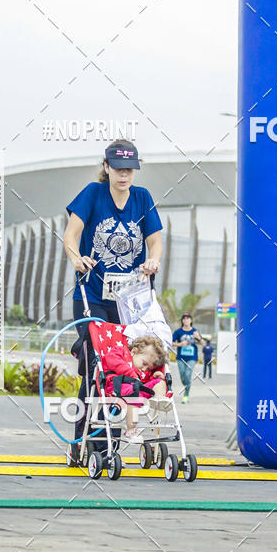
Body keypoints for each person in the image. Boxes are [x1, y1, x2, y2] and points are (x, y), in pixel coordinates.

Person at [63, 139, 163, 448]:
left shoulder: (142, 198)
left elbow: (155, 241)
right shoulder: (93, 194)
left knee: (121, 366)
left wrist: (153, 260)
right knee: (96, 364)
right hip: (91, 295)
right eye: (118, 169)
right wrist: (76, 258)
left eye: (130, 171)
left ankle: (111, 438)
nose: (124, 176)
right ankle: (85, 439)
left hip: (126, 298)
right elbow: (71, 234)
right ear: (107, 168)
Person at [102, 335, 168, 444]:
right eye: (144, 364)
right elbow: (112, 360)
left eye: (149, 368)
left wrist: (154, 376)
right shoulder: (121, 352)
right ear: (134, 351)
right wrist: (131, 374)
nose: (144, 369)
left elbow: (145, 381)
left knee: (160, 382)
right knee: (134, 393)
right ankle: (131, 430)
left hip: (138, 388)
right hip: (117, 386)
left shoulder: (142, 371)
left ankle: (159, 399)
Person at [172, 312, 204, 403]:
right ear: (182, 321)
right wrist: (180, 344)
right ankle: (187, 386)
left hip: (192, 358)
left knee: (188, 374)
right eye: (184, 318)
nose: (186, 320)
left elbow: (203, 344)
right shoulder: (178, 332)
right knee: (183, 377)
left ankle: (186, 395)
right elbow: (171, 342)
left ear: (191, 320)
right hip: (180, 358)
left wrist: (198, 337)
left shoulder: (194, 331)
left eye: (188, 318)